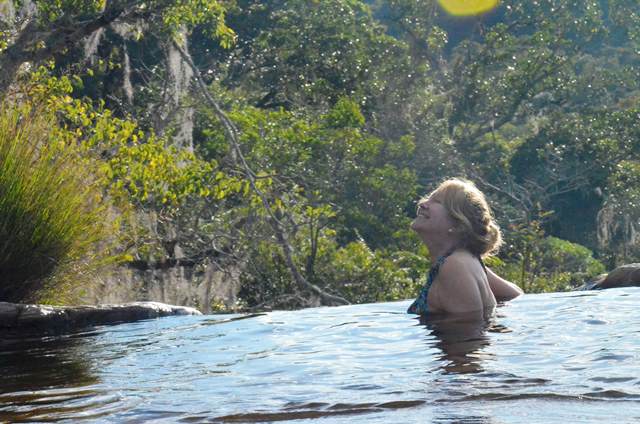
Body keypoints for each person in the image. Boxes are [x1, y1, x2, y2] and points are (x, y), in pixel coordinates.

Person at [408, 178, 523, 318]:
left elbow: (470, 336)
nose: (423, 204)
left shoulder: (455, 266)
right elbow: (515, 293)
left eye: (437, 201)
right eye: (428, 198)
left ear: (458, 225)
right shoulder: (464, 259)